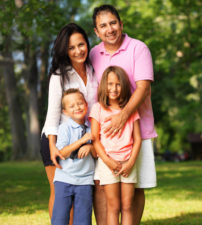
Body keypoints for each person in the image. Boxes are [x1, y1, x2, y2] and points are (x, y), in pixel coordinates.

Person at [90, 4, 157, 225]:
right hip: (105, 137)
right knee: (102, 187)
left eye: (113, 23)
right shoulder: (93, 54)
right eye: (103, 25)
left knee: (136, 188)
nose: (109, 29)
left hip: (138, 130)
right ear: (96, 31)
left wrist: (124, 115)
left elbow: (143, 87)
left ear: (121, 24)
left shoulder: (138, 48)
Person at [40, 23, 98, 224]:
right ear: (65, 50)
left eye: (81, 45)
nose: (77, 51)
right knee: (60, 194)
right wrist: (53, 148)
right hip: (57, 141)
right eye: (71, 48)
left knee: (82, 195)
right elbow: (52, 116)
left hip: (86, 138)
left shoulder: (93, 71)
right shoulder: (59, 75)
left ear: (87, 44)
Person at [90, 66, 142, 225]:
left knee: (127, 206)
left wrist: (131, 162)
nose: (114, 88)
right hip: (108, 163)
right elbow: (95, 139)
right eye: (110, 84)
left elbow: (138, 139)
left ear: (124, 86)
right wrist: (108, 161)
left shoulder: (130, 111)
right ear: (103, 85)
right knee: (113, 206)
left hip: (128, 163)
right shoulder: (98, 108)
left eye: (118, 84)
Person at [51, 88, 96, 225]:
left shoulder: (92, 129)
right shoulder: (65, 128)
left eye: (80, 103)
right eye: (71, 106)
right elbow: (62, 153)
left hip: (85, 181)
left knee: (83, 219)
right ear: (65, 112)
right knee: (60, 218)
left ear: (86, 105)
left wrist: (90, 146)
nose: (77, 107)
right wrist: (82, 141)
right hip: (64, 179)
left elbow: (97, 154)